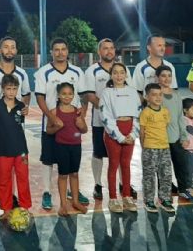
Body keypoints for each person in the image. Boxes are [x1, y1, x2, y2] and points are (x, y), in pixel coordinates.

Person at [34, 38, 88, 210]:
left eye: (63, 49)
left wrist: (82, 116)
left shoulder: (77, 72)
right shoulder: (44, 72)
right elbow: (40, 98)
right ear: (51, 52)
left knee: (72, 163)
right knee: (48, 160)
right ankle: (47, 193)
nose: (60, 52)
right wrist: (51, 117)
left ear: (67, 51)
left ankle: (74, 192)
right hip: (52, 125)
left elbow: (84, 96)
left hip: (72, 127)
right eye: (56, 49)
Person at [0, 36, 30, 217]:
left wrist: (22, 109)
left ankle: (13, 198)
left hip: (15, 133)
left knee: (17, 168)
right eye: (6, 47)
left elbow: (26, 95)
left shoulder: (22, 74)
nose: (9, 50)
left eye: (13, 47)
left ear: (16, 51)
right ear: (0, 50)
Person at [84, 38, 134, 200]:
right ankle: (98, 184)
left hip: (123, 122)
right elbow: (90, 95)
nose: (109, 51)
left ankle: (123, 184)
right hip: (101, 121)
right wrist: (109, 111)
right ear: (99, 52)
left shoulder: (123, 70)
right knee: (98, 153)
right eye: (105, 48)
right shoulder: (92, 71)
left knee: (121, 155)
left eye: (111, 48)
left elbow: (130, 92)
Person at [100, 63, 142, 213]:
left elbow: (138, 114)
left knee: (126, 164)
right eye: (115, 73)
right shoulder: (106, 92)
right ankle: (112, 198)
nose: (118, 76)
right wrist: (119, 136)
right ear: (111, 75)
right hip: (114, 133)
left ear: (126, 75)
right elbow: (105, 116)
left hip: (129, 131)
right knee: (114, 164)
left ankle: (127, 196)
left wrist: (132, 134)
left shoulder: (132, 92)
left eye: (121, 72)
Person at [0, 74, 31, 219]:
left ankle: (25, 206)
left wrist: (26, 110)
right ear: (3, 89)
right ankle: (6, 208)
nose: (11, 92)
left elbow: (21, 122)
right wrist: (1, 140)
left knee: (23, 178)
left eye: (14, 89)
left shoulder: (21, 106)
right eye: (8, 88)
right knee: (3, 180)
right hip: (3, 149)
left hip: (21, 150)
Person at [46, 82, 88, 216]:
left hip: (76, 146)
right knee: (63, 175)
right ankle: (63, 204)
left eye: (70, 94)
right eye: (64, 94)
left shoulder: (77, 111)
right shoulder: (54, 112)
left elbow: (85, 129)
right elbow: (48, 131)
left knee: (74, 174)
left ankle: (75, 201)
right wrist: (57, 127)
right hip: (61, 147)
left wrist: (81, 125)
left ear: (73, 95)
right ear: (58, 95)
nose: (67, 96)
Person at [155, 65, 193, 201]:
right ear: (157, 77)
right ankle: (164, 192)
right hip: (161, 139)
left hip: (176, 138)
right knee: (163, 168)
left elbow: (179, 117)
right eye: (163, 75)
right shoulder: (155, 95)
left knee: (181, 165)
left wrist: (183, 136)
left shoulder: (177, 95)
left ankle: (183, 189)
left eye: (169, 75)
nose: (167, 78)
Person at [140, 83, 174, 214]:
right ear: (147, 97)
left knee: (166, 174)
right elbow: (142, 132)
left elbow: (165, 126)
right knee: (149, 175)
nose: (158, 97)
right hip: (150, 148)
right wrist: (145, 147)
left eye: (160, 95)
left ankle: (164, 198)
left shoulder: (165, 112)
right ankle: (149, 200)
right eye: (154, 95)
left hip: (164, 147)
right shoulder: (145, 113)